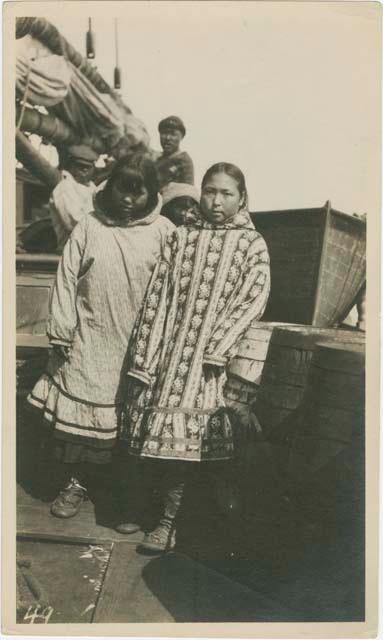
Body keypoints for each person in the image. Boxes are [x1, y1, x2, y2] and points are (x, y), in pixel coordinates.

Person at [119, 162, 270, 551]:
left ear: (242, 198)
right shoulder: (181, 237)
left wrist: (217, 347)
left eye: (226, 194)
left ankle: (169, 523)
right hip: (169, 353)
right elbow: (158, 294)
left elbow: (252, 299)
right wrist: (147, 355)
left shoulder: (251, 244)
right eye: (209, 191)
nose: (216, 201)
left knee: (188, 444)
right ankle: (147, 510)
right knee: (154, 433)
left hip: (210, 364)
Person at [27, 154, 174, 519]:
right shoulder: (90, 226)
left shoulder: (164, 231)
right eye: (122, 189)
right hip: (92, 336)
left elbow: (175, 290)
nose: (128, 199)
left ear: (151, 192)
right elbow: (66, 277)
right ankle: (77, 483)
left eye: (137, 192)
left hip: (141, 343)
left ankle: (124, 495)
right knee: (85, 420)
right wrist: (62, 327)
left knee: (132, 419)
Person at [49, 144, 99, 251]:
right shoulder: (65, 188)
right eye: (80, 166)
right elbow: (74, 224)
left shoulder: (92, 188)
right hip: (72, 250)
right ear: (71, 166)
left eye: (88, 167)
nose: (84, 170)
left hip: (92, 246)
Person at [154, 116, 194, 190]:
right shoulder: (155, 159)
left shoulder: (184, 161)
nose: (168, 138)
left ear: (181, 137)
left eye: (173, 134)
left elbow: (187, 193)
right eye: (164, 133)